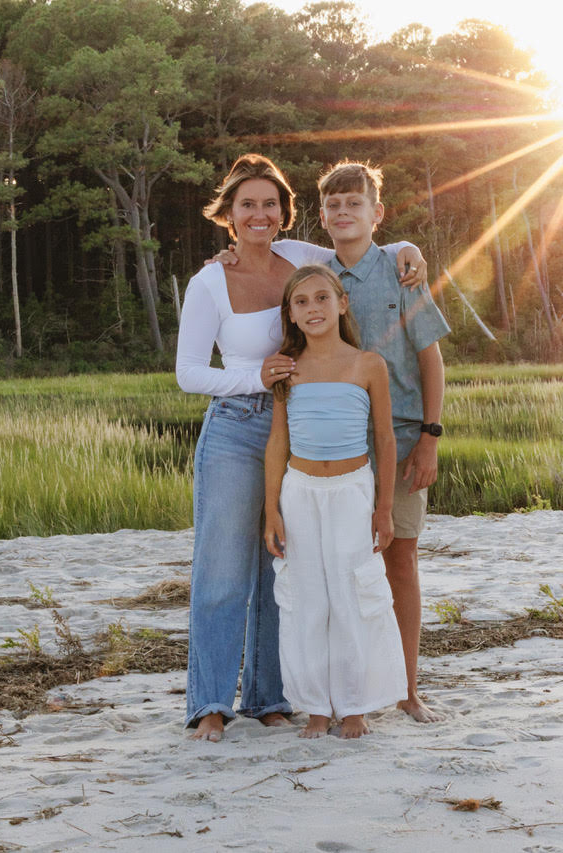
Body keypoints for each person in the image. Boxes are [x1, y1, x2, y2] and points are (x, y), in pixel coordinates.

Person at [175, 153, 425, 742]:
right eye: (247, 205)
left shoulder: (299, 257)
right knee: (223, 573)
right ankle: (210, 703)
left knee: (282, 571)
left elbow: (359, 243)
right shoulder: (209, 281)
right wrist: (255, 377)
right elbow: (188, 372)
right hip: (238, 426)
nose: (258, 214)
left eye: (270, 204)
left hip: (304, 430)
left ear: (284, 213)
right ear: (229, 214)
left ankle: (269, 698)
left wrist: (408, 246)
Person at [317, 161, 451, 724]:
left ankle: (407, 690)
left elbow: (431, 360)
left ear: (377, 213)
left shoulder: (403, 273)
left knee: (401, 561)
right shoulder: (315, 279)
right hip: (339, 446)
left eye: (355, 203)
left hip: (403, 436)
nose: (343, 212)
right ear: (321, 216)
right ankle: (349, 694)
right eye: (333, 205)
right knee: (343, 567)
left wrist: (430, 437)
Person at [262, 265, 406, 739]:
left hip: (352, 493)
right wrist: (272, 508)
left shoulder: (368, 364)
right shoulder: (287, 367)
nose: (313, 309)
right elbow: (278, 441)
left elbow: (385, 440)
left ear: (342, 304)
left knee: (351, 596)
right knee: (306, 599)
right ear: (290, 314)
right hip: (300, 492)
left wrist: (383, 508)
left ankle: (355, 705)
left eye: (322, 298)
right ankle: (316, 708)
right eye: (301, 302)